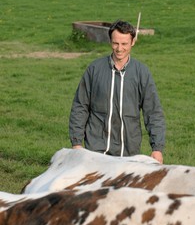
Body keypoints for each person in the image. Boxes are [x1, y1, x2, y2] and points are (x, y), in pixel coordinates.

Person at [69, 20, 166, 163]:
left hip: (128, 153)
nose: (119, 48)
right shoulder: (94, 69)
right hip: (96, 152)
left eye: (124, 44)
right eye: (115, 43)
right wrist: (76, 143)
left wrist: (157, 148)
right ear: (110, 41)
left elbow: (153, 111)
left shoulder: (141, 73)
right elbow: (80, 106)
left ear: (133, 42)